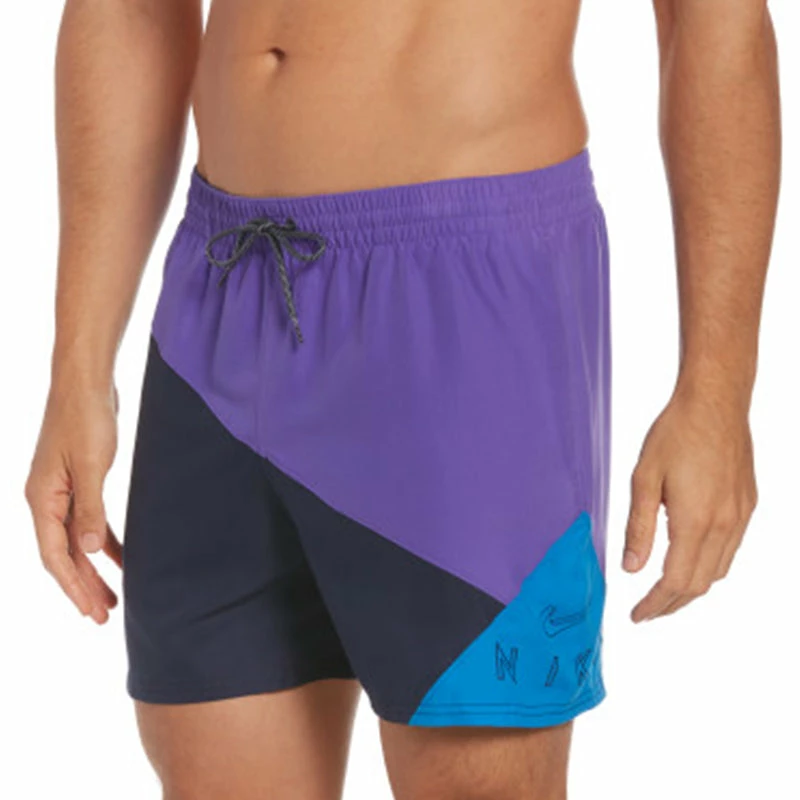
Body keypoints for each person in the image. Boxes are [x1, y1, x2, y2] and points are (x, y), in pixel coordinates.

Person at [25, 1, 780, 798]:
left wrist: (717, 392)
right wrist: (78, 371)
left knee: (479, 779)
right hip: (220, 285)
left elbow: (714, 16)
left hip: (463, 303)